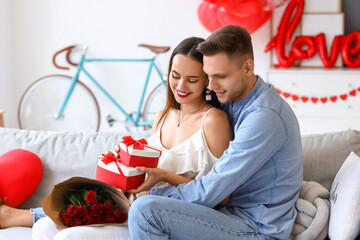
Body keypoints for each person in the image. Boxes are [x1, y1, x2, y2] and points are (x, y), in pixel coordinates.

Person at [0, 37, 232, 239]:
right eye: (175, 75)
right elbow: (147, 176)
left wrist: (166, 176)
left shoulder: (213, 121)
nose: (181, 86)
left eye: (192, 79)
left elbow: (223, 197)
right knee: (42, 228)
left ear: (207, 81)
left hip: (161, 218)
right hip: (131, 206)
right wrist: (121, 168)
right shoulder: (162, 116)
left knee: (68, 236)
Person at [128, 25, 303, 240]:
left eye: (220, 76)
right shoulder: (232, 99)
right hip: (227, 216)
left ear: (248, 68)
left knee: (146, 211)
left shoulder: (264, 117)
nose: (211, 85)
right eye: (208, 76)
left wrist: (152, 193)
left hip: (256, 228)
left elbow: (212, 190)